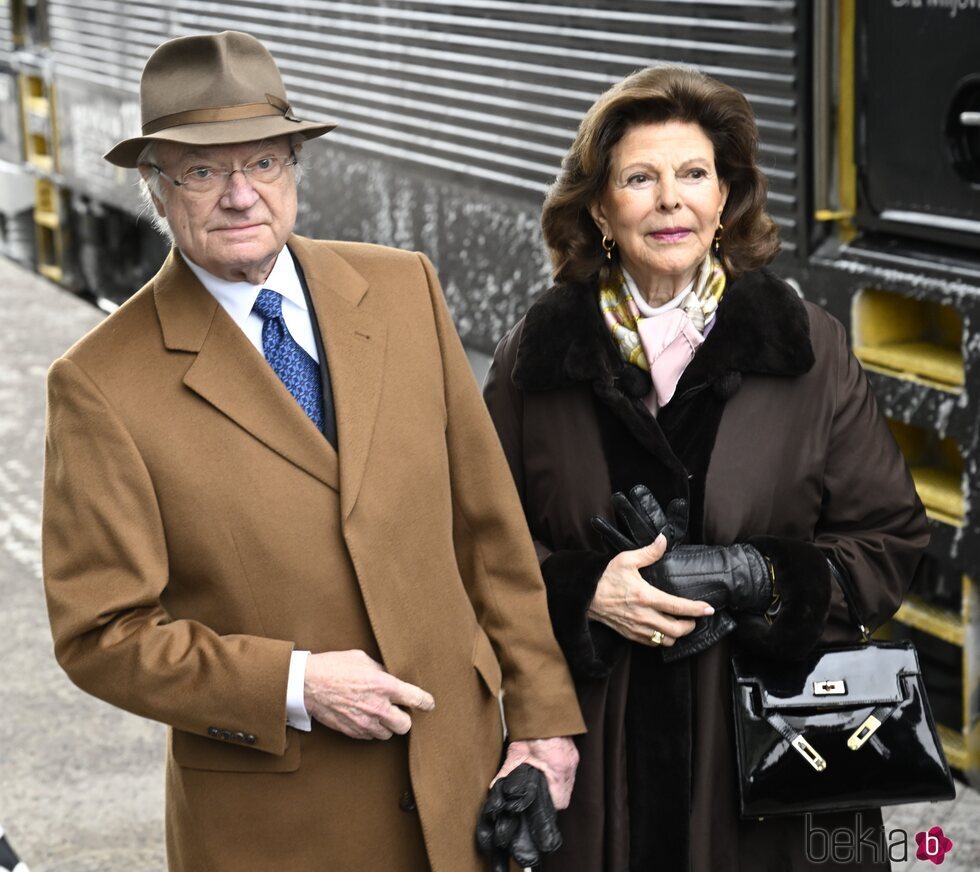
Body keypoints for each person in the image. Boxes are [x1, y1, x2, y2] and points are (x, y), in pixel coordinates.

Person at [41, 31, 584, 872]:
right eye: (201, 170)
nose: (238, 195)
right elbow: (101, 634)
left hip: (461, 790)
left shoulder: (403, 288)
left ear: (296, 165)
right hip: (277, 830)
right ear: (155, 188)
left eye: (262, 161)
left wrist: (545, 719)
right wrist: (293, 685)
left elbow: (490, 533)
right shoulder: (101, 382)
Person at [483, 64, 929, 871]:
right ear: (598, 208)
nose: (669, 199)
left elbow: (890, 537)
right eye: (639, 178)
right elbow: (475, 544)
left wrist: (754, 574)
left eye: (694, 174)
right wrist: (586, 590)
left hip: (772, 750)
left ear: (725, 199)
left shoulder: (806, 346)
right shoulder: (535, 360)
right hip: (598, 755)